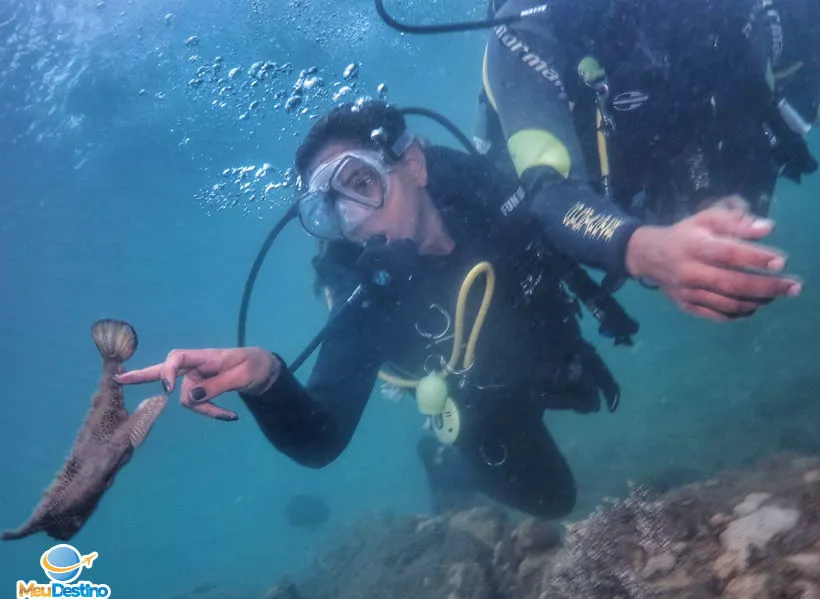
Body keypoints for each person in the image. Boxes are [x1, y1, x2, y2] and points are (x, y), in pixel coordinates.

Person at [116, 100, 803, 519]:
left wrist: (648, 244)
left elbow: (564, 212)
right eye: (331, 209)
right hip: (476, 404)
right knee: (554, 499)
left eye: (359, 182)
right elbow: (320, 438)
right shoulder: (368, 293)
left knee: (581, 400)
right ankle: (443, 460)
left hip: (550, 351)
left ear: (410, 164)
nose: (355, 219)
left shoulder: (485, 191)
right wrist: (268, 375)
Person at [472, 0, 818, 319]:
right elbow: (550, 192)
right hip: (571, 194)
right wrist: (646, 249)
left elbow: (679, 120)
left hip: (646, 150)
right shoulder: (524, 27)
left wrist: (706, 199)